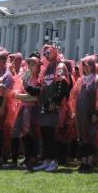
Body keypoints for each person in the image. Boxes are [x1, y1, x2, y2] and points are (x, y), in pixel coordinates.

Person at [34, 44, 70, 172]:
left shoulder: (60, 66)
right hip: (44, 105)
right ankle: (47, 159)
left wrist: (56, 100)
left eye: (49, 52)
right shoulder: (47, 67)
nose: (46, 55)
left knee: (52, 134)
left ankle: (54, 161)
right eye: (45, 53)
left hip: (55, 106)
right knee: (44, 132)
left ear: (55, 52)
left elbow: (62, 83)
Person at [72, 56, 98, 173]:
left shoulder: (97, 80)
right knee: (82, 137)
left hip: (91, 114)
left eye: (87, 64)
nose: (85, 67)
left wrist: (96, 112)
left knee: (90, 137)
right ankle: (83, 162)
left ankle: (89, 162)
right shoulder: (80, 80)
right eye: (83, 65)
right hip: (80, 114)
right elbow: (74, 95)